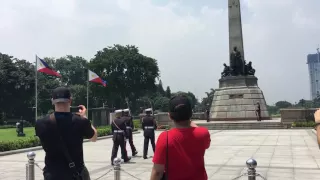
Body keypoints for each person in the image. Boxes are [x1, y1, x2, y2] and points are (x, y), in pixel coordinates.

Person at [35, 87, 98, 180]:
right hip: (75, 174)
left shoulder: (40, 123)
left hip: (52, 174)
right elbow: (94, 137)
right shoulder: (80, 121)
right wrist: (84, 117)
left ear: (52, 101)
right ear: (70, 101)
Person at [150, 95, 211, 180]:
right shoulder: (203, 133)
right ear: (191, 113)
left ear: (170, 116)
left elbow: (157, 172)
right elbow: (206, 145)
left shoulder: (165, 137)